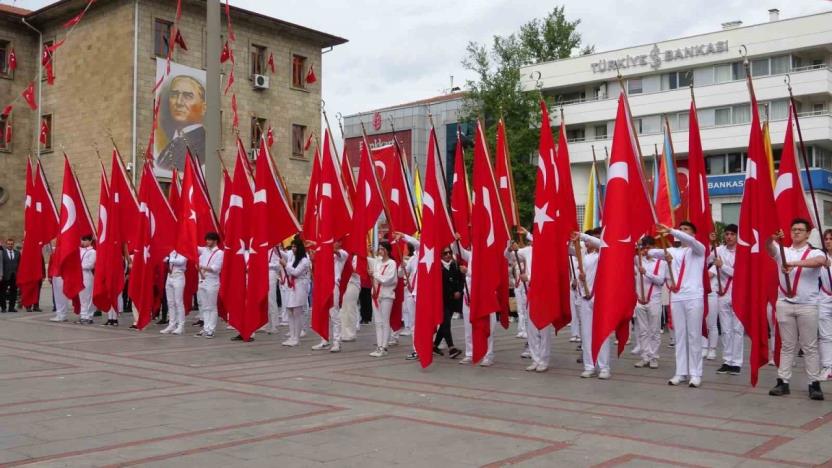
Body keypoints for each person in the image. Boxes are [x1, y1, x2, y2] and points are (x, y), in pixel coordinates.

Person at [767, 219, 825, 400]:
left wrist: (794, 264)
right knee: (787, 345)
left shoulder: (814, 251)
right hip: (785, 303)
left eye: (800, 230)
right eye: (794, 229)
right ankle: (782, 381)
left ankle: (814, 384)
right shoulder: (783, 250)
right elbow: (769, 247)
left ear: (808, 233)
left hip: (807, 305)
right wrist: (771, 238)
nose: (796, 232)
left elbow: (820, 261)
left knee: (810, 346)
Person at [651, 221, 707, 388]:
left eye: (685, 229)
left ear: (693, 233)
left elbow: (688, 240)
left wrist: (671, 230)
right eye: (680, 229)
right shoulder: (672, 251)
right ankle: (681, 372)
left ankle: (695, 373)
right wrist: (663, 254)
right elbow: (652, 252)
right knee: (680, 336)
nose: (681, 232)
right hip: (677, 297)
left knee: (694, 335)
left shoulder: (698, 249)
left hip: (694, 297)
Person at [572, 229, 610, 379]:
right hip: (584, 298)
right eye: (587, 241)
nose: (588, 242)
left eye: (591, 239)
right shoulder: (582, 257)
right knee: (586, 334)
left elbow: (601, 244)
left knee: (602, 332)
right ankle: (589, 365)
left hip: (599, 298)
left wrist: (582, 235)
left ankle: (604, 366)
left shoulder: (602, 254)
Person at [156, 75, 206, 172]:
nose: (179, 102)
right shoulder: (171, 144)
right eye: (174, 95)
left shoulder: (204, 144)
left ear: (203, 108)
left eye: (187, 96)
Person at [712, 224, 742, 375]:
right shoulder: (718, 250)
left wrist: (722, 266)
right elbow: (706, 263)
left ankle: (736, 362)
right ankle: (727, 360)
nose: (729, 237)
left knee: (737, 329)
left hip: (738, 294)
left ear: (737, 236)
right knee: (725, 329)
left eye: (732, 234)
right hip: (722, 294)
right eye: (727, 234)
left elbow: (741, 274)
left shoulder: (743, 251)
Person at [633, 236, 665, 369]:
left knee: (654, 330)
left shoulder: (660, 263)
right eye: (644, 247)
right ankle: (645, 356)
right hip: (640, 299)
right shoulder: (637, 260)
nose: (646, 250)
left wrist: (646, 273)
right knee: (642, 331)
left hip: (654, 300)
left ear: (653, 247)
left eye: (649, 247)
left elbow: (660, 281)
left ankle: (653, 357)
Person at [311, 240, 348, 352]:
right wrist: (314, 255)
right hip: (322, 285)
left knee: (334, 312)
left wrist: (317, 244)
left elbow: (335, 252)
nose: (335, 243)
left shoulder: (343, 253)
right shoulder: (324, 252)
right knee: (323, 313)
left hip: (333, 286)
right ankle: (324, 339)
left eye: (336, 241)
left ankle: (337, 341)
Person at [279, 237, 311, 347]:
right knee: (289, 311)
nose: (293, 249)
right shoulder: (292, 258)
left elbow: (296, 272)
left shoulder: (304, 260)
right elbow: (284, 257)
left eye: (295, 247)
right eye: (292, 246)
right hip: (291, 287)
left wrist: (285, 265)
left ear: (299, 247)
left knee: (297, 312)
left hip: (300, 287)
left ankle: (297, 338)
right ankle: (292, 336)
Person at [369, 241, 398, 357]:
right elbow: (366, 259)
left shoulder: (392, 263)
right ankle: (379, 345)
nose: (380, 250)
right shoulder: (377, 262)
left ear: (387, 250)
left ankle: (384, 347)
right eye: (379, 248)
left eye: (382, 248)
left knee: (385, 321)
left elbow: (388, 279)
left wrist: (375, 275)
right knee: (377, 322)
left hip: (386, 295)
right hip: (376, 294)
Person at [434, 245, 463, 359]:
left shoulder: (454, 264)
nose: (448, 255)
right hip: (441, 299)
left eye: (449, 253)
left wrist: (459, 291)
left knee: (444, 323)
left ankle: (434, 345)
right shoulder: (437, 266)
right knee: (446, 322)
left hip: (452, 300)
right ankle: (451, 348)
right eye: (445, 253)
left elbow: (461, 279)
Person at [195, 232, 223, 339]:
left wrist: (201, 266)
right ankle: (206, 328)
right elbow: (192, 247)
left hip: (212, 282)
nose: (207, 241)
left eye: (209, 240)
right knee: (204, 307)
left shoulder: (220, 253)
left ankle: (211, 329)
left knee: (212, 306)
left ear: (215, 241)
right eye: (206, 239)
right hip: (202, 281)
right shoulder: (204, 250)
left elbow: (215, 268)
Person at [161, 250, 187, 335]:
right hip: (170, 276)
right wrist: (168, 258)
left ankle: (181, 325)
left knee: (178, 302)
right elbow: (164, 259)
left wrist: (169, 259)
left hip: (178, 276)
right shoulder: (172, 252)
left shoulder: (184, 251)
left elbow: (180, 261)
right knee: (170, 302)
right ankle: (172, 324)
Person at [818, 229, 832, 382]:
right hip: (824, 297)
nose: (828, 241)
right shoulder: (820, 257)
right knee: (825, 335)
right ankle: (827, 367)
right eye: (826, 239)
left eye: (831, 238)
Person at [77, 235, 97, 324]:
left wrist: (79, 266)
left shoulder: (92, 252)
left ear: (90, 241)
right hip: (80, 275)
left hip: (87, 275)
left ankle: (89, 316)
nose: (83, 242)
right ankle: (83, 315)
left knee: (88, 296)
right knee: (82, 297)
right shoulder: (81, 250)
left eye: (84, 240)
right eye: (82, 240)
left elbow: (90, 265)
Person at [1, 238, 20, 313]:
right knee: (3, 292)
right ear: (6, 244)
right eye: (9, 244)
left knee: (14, 292)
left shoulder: (17, 253)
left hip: (14, 276)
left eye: (11, 244)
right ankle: (3, 308)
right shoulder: (2, 253)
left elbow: (19, 264)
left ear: (13, 244)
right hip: (5, 275)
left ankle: (11, 307)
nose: (10, 245)